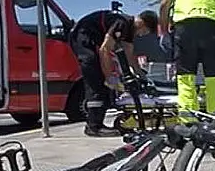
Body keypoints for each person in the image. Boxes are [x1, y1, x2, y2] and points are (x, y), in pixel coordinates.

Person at [68, 8, 159, 137]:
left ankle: (97, 124)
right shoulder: (122, 23)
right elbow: (105, 50)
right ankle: (94, 127)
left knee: (103, 81)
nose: (142, 35)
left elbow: (129, 54)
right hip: (82, 37)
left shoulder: (129, 30)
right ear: (143, 23)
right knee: (97, 80)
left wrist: (140, 74)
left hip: (89, 38)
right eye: (145, 32)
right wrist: (110, 77)